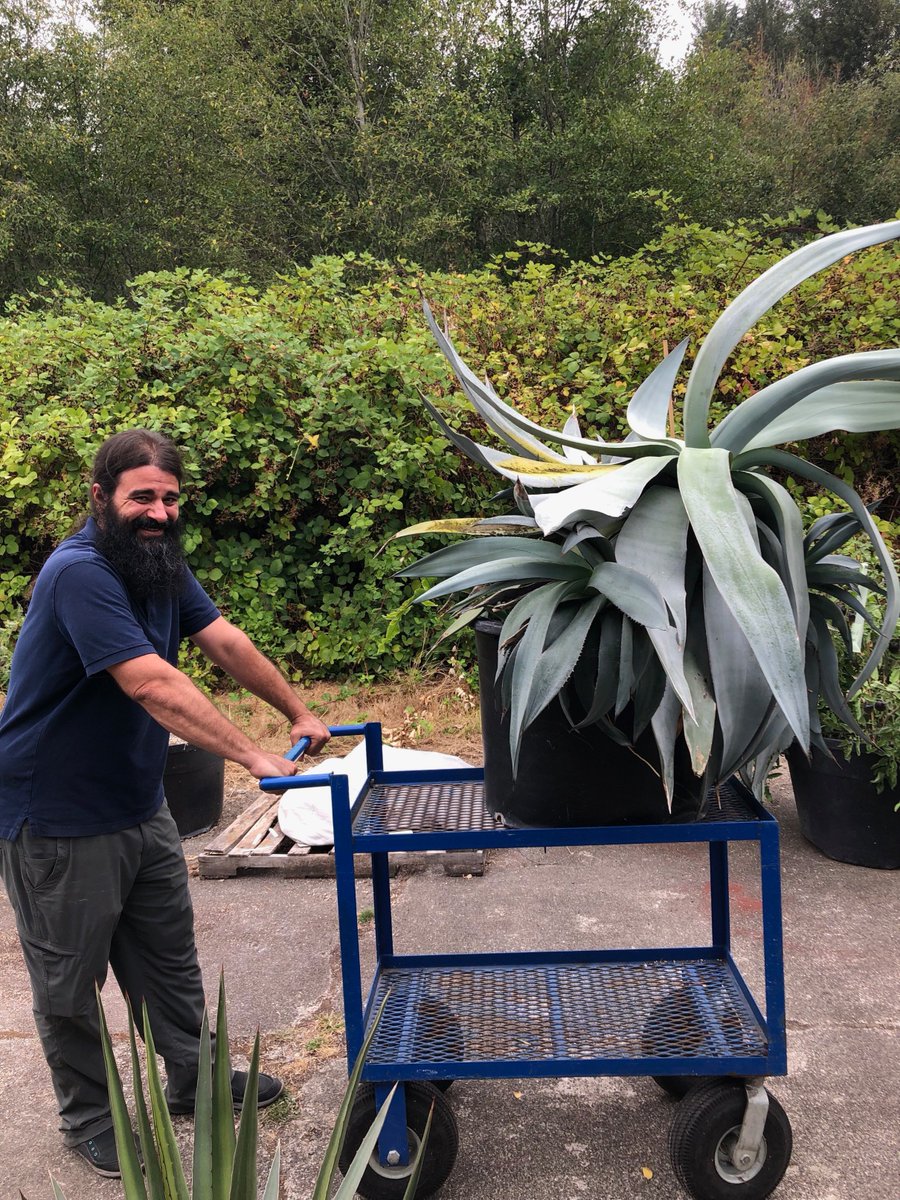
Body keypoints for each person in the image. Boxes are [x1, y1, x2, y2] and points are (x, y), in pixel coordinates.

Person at [0, 429, 330, 1177]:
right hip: (55, 815)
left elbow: (224, 641)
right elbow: (151, 683)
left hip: (137, 800)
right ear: (101, 497)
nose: (158, 512)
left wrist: (297, 710)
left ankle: (194, 1082)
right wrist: (251, 756)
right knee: (70, 984)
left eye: (170, 498)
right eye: (141, 497)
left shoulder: (157, 563)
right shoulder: (79, 573)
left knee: (168, 958)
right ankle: (92, 1118)